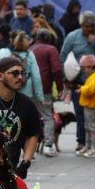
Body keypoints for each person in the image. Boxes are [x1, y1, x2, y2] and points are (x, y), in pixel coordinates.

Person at [60, 11, 95, 154]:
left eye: (92, 26)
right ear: (81, 25)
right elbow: (63, 56)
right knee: (80, 114)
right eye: (87, 26)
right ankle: (82, 141)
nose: (90, 29)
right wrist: (66, 77)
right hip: (78, 83)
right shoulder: (73, 37)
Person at [30, 29, 64, 157]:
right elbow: (56, 69)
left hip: (27, 89)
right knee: (48, 117)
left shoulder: (30, 49)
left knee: (29, 117)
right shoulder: (51, 49)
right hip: (44, 88)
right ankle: (48, 145)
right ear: (49, 39)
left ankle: (28, 147)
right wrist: (60, 87)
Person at [0, 31, 43, 104]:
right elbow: (36, 76)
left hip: (9, 91)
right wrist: (40, 96)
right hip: (27, 91)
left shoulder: (7, 53)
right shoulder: (29, 54)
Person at [77, 55, 95, 158]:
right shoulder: (94, 76)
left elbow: (91, 89)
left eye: (85, 68)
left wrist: (82, 89)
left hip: (92, 105)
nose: (84, 70)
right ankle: (89, 147)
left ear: (91, 66)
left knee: (92, 128)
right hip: (90, 105)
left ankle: (94, 148)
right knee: (88, 127)